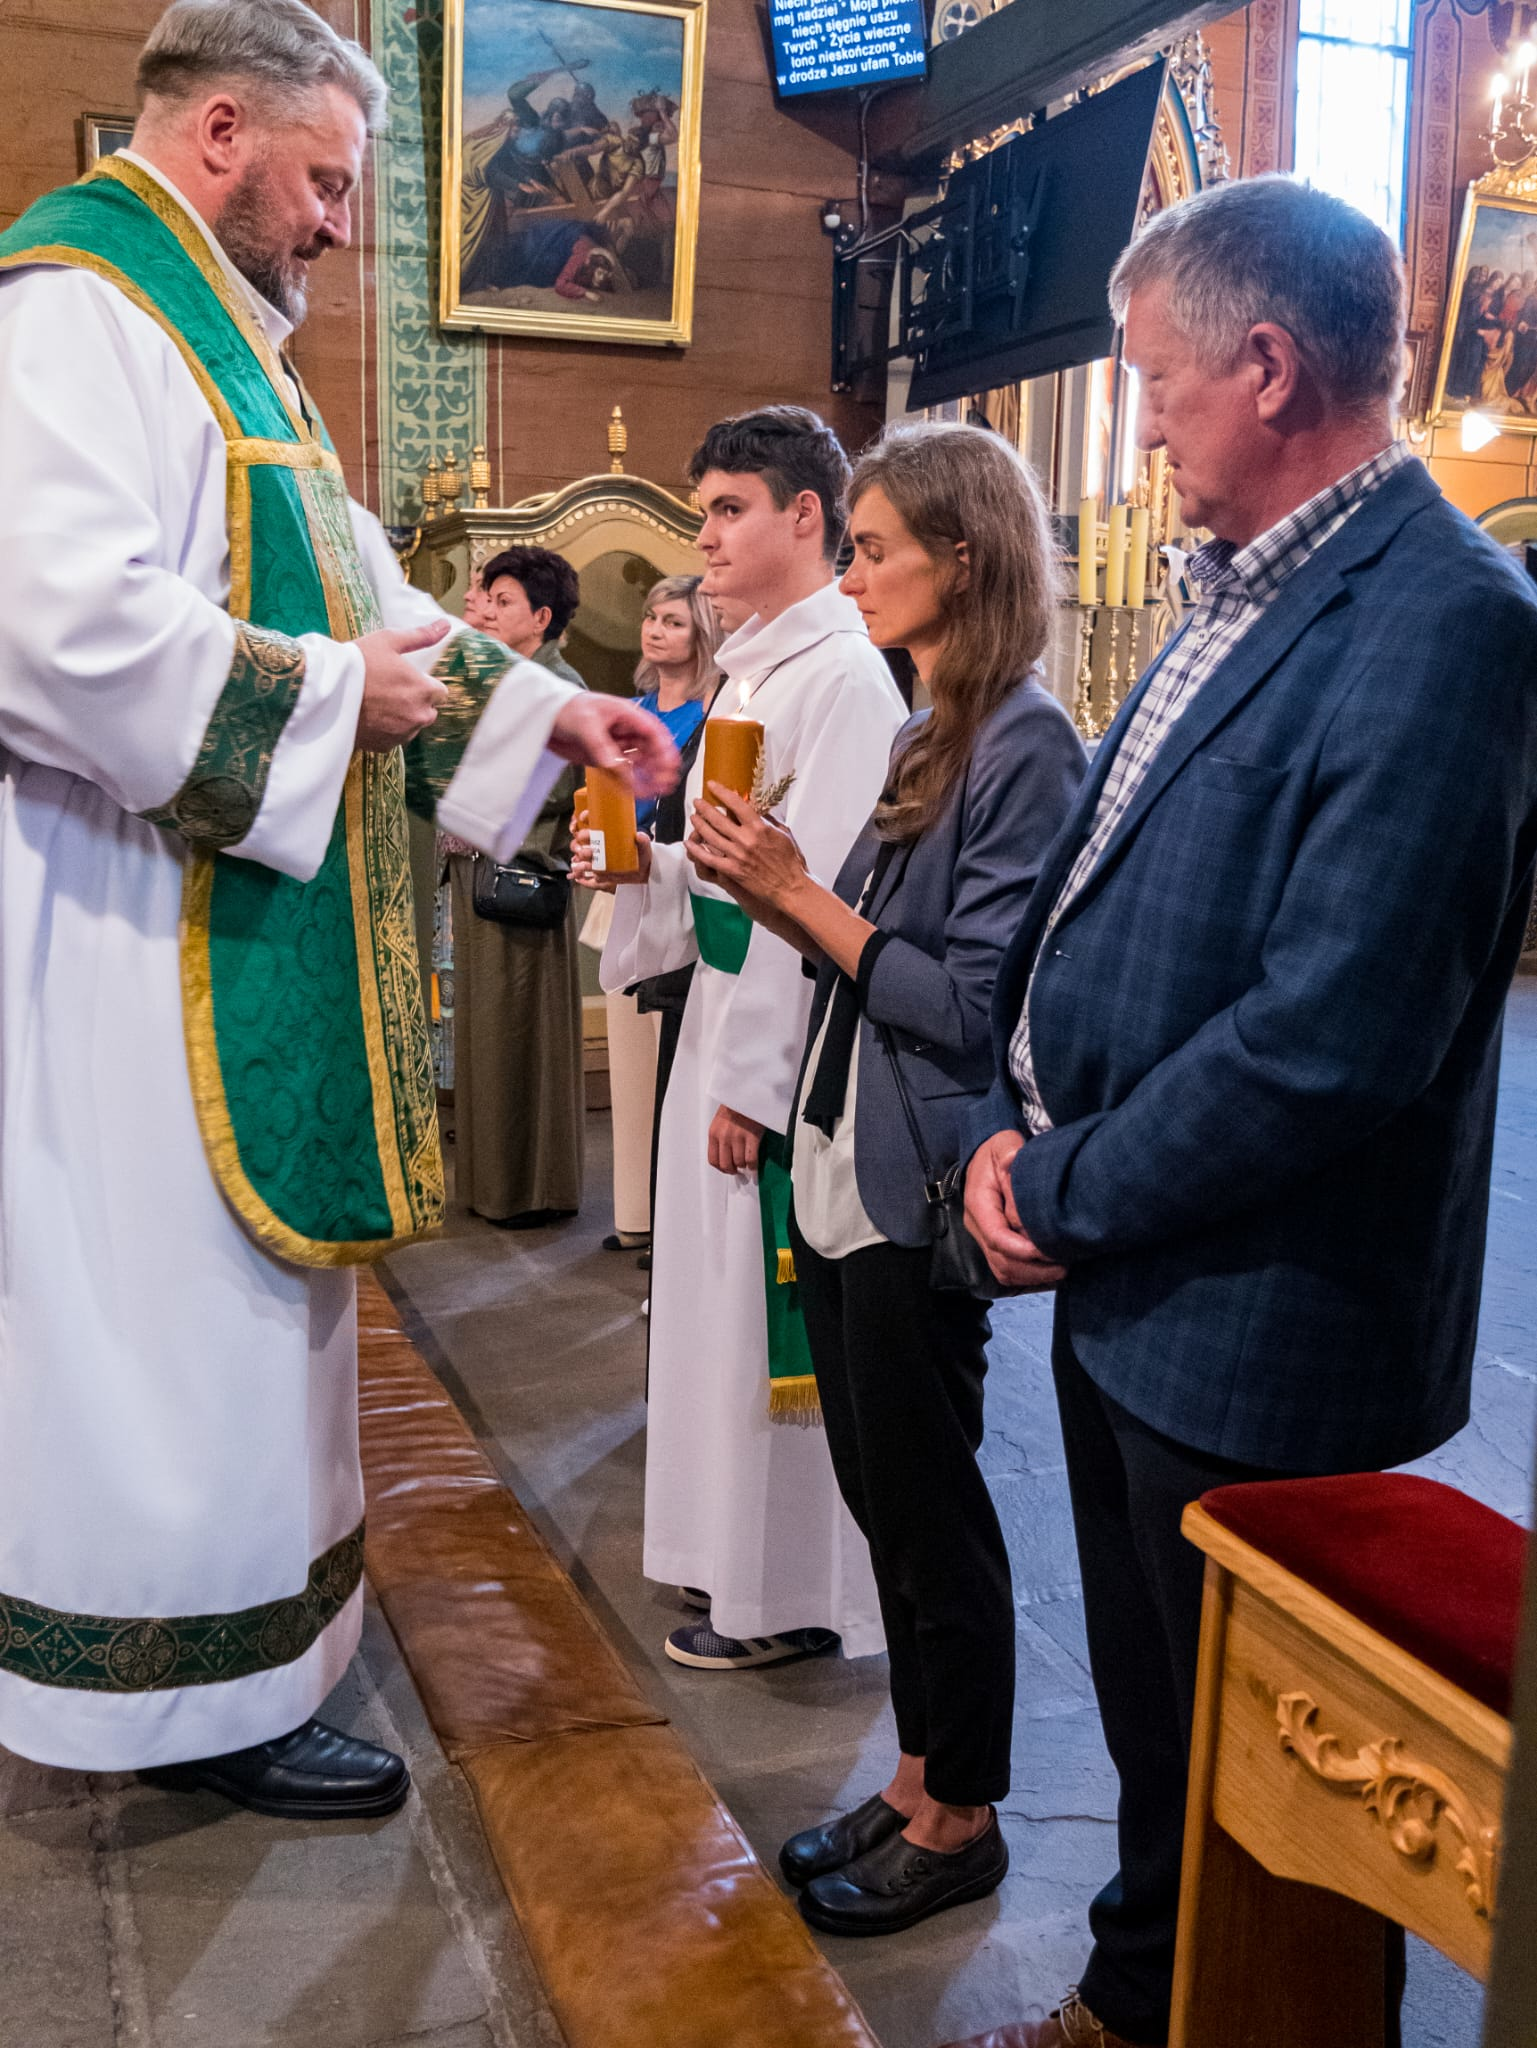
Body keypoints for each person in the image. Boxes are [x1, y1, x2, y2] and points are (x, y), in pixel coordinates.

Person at [0, 0, 674, 1811]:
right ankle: (173, 1696)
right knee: (158, 1317)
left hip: (224, 907)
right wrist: (318, 700)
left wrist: (548, 710)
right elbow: (48, 625)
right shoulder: (71, 315)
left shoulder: (233, 345)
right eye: (320, 180)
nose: (334, 226)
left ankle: (259, 1650)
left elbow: (367, 588)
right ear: (218, 133)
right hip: (132, 940)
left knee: (246, 1318)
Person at [947, 176, 1537, 2048]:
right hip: (1138, 1271)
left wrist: (1062, 1175)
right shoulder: (1239, 589)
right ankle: (1142, 1995)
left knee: (1259, 1773)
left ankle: (1231, 2015)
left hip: (1264, 1303)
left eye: (1155, 385)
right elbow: (1118, 885)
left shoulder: (1443, 619)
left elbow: (1332, 1035)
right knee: (1151, 1717)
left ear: (1268, 367)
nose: (1142, 425)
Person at [686, 420, 1085, 1934]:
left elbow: (968, 1007)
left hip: (920, 1183)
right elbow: (860, 951)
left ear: (962, 558)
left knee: (933, 1511)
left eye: (871, 548)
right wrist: (769, 884)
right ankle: (915, 1770)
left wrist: (798, 893)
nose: (849, 573)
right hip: (845, 1160)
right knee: (879, 1494)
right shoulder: (929, 730)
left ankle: (966, 1812)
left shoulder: (1024, 739)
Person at [580, 406, 907, 1670]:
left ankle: (790, 1596)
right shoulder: (756, 668)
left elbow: (804, 892)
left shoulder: (839, 678)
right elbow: (727, 873)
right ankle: (735, 1572)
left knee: (770, 1329)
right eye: (702, 509)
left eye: (727, 508)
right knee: (711, 1320)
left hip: (776, 1045)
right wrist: (645, 873)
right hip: (718, 1018)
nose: (703, 535)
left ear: (805, 515)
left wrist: (755, 1088)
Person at [450, 546, 588, 1228]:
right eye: (490, 600)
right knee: (488, 1036)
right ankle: (487, 1183)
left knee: (521, 1036)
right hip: (483, 870)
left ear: (541, 616)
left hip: (522, 875)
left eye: (505, 602)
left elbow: (559, 792)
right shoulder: (509, 679)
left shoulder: (554, 687)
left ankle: (531, 1189)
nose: (492, 612)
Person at [592, 576, 722, 1255]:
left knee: (665, 1055)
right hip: (624, 882)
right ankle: (633, 1210)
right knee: (629, 1061)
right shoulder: (631, 709)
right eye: (649, 617)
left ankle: (663, 1221)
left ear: (701, 633)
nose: (654, 630)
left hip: (673, 878)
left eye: (673, 621)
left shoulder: (711, 713)